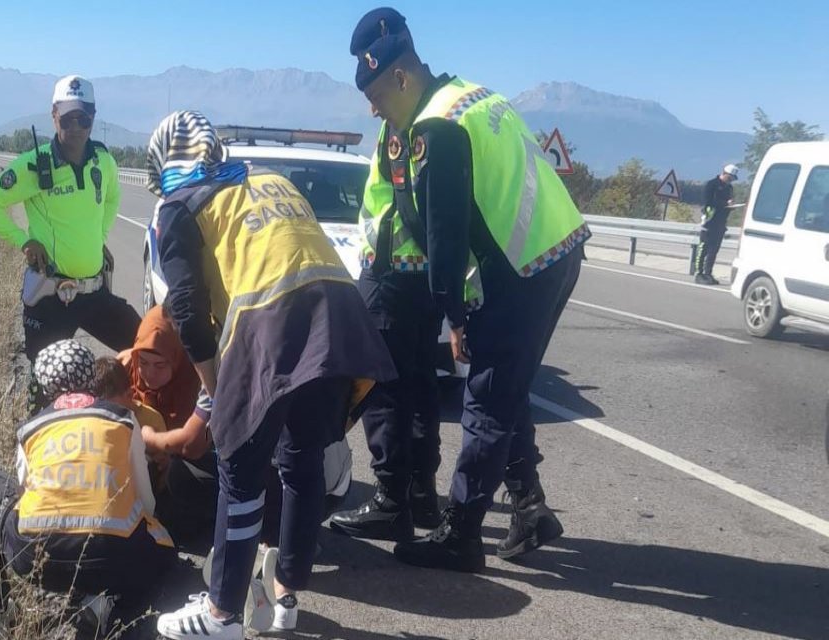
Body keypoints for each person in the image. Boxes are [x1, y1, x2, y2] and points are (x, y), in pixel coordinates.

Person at [349, 8, 589, 573]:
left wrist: (453, 318)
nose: (372, 108)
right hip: (557, 248)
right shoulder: (469, 95)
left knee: (485, 395)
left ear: (402, 77)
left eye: (377, 93)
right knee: (505, 386)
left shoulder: (436, 128)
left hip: (520, 265)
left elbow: (445, 237)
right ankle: (529, 506)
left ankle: (461, 534)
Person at [145, 111, 395, 639]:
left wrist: (216, 389)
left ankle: (222, 615)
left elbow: (186, 308)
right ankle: (284, 598)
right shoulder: (266, 179)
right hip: (339, 316)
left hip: (269, 322)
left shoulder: (178, 206)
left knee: (239, 468)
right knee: (302, 460)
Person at [0, 340, 174, 638]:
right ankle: (107, 604)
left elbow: (29, 492)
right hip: (113, 557)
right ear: (91, 375)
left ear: (46, 386)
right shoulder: (121, 419)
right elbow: (146, 501)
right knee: (161, 552)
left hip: (34, 556)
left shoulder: (31, 428)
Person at [327, 118, 449, 543]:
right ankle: (421, 494)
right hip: (426, 275)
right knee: (419, 385)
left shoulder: (403, 123)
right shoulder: (438, 124)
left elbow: (397, 200)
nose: (372, 107)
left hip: (389, 270)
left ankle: (391, 501)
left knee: (383, 388)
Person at [0, 75, 141, 360]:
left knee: (147, 352)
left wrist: (98, 237)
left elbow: (112, 197)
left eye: (83, 119)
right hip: (50, 298)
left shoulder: (104, 161)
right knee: (44, 390)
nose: (75, 127)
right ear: (54, 117)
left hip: (95, 293)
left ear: (93, 116)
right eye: (66, 119)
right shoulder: (33, 166)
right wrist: (24, 242)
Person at [695, 164, 740, 285]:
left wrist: (731, 206)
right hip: (709, 221)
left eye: (732, 179)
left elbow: (726, 204)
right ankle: (698, 273)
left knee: (714, 250)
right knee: (703, 247)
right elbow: (707, 201)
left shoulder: (729, 188)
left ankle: (708, 273)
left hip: (720, 223)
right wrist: (725, 203)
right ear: (724, 173)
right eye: (729, 178)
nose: (730, 181)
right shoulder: (711, 184)